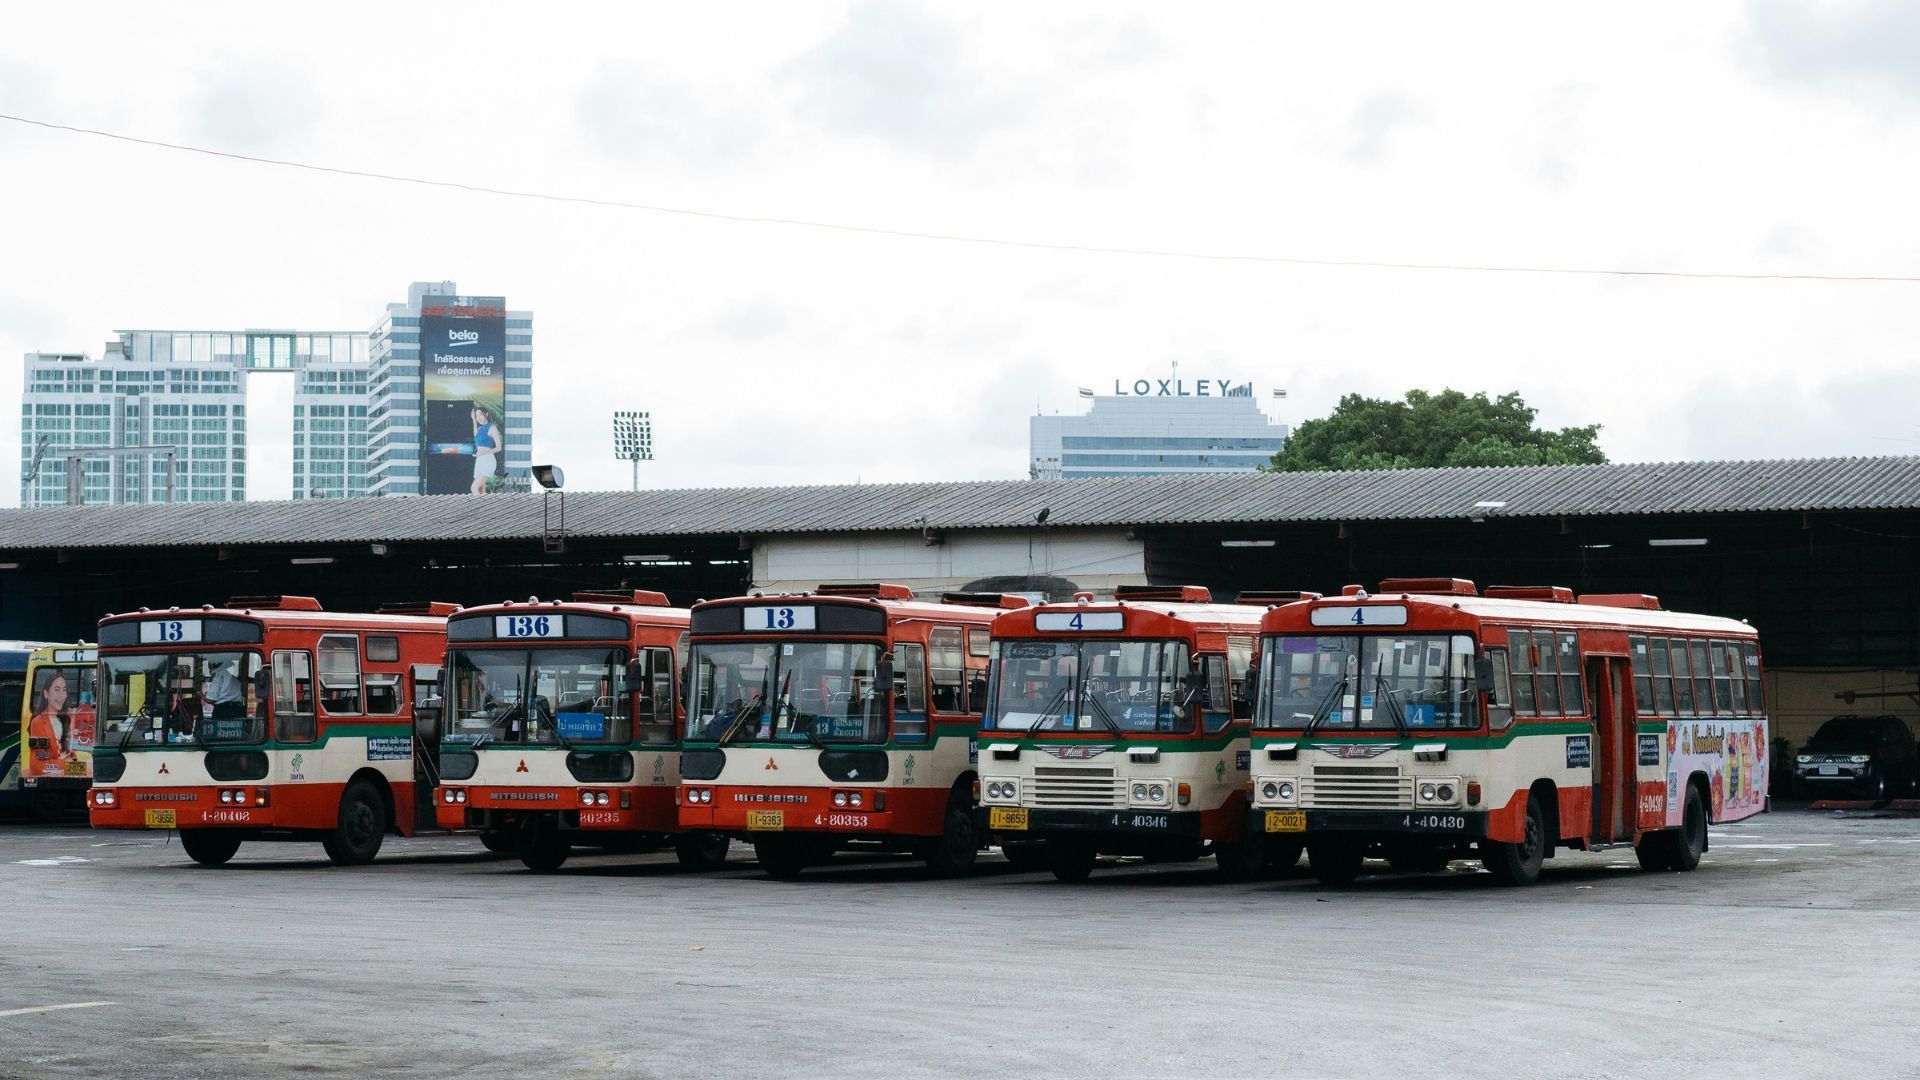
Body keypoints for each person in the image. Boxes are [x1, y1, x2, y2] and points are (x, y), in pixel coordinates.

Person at [25, 672, 74, 776]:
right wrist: (66, 765)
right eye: (57, 690)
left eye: (64, 690)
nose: (62, 695)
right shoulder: (38, 722)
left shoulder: (69, 717)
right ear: (46, 693)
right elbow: (37, 765)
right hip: (51, 780)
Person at [470, 406, 501, 495]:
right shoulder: (480, 429)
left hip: (488, 460)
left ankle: (481, 508)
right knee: (481, 490)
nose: (478, 418)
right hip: (479, 461)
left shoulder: (492, 428)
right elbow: (476, 435)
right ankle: (485, 508)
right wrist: (473, 420)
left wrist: (484, 453)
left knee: (474, 488)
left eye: (480, 415)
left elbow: (499, 447)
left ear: (486, 414)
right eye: (476, 416)